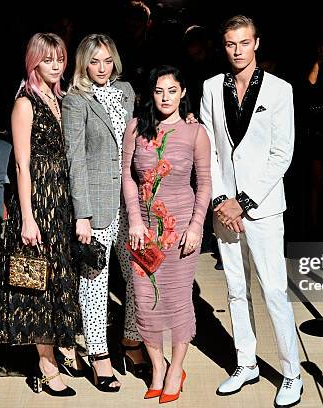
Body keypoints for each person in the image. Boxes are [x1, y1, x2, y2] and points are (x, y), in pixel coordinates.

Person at [200, 15, 303, 408]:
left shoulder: (279, 90)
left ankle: (291, 372)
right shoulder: (212, 87)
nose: (238, 50)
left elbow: (282, 155)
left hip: (261, 207)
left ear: (256, 43)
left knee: (274, 291)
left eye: (244, 42)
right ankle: (246, 364)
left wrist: (241, 202)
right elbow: (208, 147)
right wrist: (221, 201)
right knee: (236, 289)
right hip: (223, 207)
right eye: (230, 44)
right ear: (224, 46)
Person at [0, 33, 80, 397]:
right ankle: (45, 365)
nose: (56, 65)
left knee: (58, 278)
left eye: (60, 58)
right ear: (34, 63)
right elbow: (21, 166)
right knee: (36, 284)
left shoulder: (60, 99)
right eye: (48, 60)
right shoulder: (25, 103)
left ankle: (58, 348)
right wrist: (26, 218)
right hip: (38, 202)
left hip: (61, 203)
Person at [122, 64, 211, 403]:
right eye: (159, 91)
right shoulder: (136, 129)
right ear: (150, 94)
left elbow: (204, 185)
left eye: (172, 90)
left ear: (183, 92)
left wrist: (196, 226)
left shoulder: (196, 132)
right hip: (143, 232)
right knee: (145, 303)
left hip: (180, 230)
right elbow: (128, 178)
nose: (165, 97)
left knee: (177, 301)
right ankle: (157, 367)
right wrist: (134, 220)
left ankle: (176, 368)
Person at [62, 33, 145, 392]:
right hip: (96, 205)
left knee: (139, 275)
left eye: (107, 60)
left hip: (131, 203)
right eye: (94, 61)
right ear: (83, 63)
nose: (101, 68)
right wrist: (81, 213)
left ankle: (130, 340)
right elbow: (74, 160)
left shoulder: (126, 91)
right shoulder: (75, 100)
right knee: (95, 283)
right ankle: (100, 356)